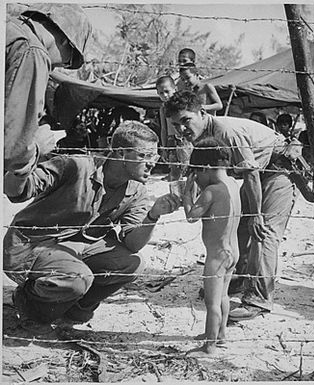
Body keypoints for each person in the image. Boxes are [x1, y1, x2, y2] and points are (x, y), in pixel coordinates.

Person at [4, 121, 181, 329]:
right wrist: (26, 160)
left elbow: (132, 244)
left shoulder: (137, 190)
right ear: (122, 154)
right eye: (145, 156)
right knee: (78, 278)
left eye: (155, 156)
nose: (152, 163)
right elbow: (15, 192)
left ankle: (75, 310)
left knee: (131, 263)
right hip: (33, 245)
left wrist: (153, 215)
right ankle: (29, 303)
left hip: (78, 248)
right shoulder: (76, 166)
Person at [165, 91, 297, 321]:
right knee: (240, 227)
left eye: (186, 120)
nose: (182, 129)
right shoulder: (198, 137)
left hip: (277, 171)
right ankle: (240, 278)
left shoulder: (225, 130)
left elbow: (251, 174)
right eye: (176, 125)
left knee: (263, 233)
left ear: (203, 112)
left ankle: (258, 298)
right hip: (255, 174)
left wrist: (256, 214)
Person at [5, 3, 92, 172]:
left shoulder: (10, 27)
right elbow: (12, 151)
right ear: (66, 42)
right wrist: (37, 146)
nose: (54, 69)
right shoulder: (33, 51)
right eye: (67, 62)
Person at [183, 138, 241, 355]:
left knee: (211, 302)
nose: (197, 177)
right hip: (233, 252)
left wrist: (187, 192)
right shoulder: (233, 184)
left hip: (216, 256)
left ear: (205, 168)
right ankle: (221, 333)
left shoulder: (212, 191)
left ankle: (209, 345)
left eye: (197, 173)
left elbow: (191, 215)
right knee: (224, 296)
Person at [156, 75, 192, 180]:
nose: (165, 95)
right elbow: (163, 128)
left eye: (167, 91)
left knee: (189, 169)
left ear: (175, 89)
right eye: (161, 93)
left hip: (185, 140)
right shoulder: (163, 108)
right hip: (171, 141)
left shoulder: (182, 105)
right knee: (175, 171)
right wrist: (164, 147)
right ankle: (177, 193)